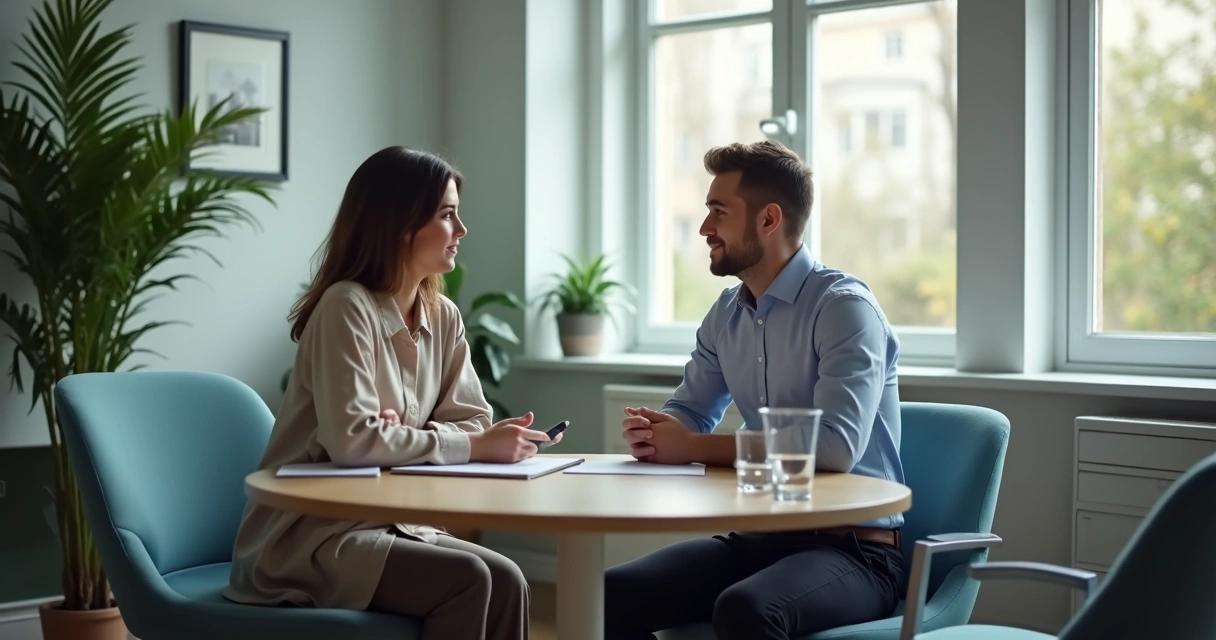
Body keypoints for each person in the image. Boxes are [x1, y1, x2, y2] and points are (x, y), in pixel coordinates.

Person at [225, 146, 555, 640]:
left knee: (508, 579)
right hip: (309, 536)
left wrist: (407, 436)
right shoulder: (345, 307)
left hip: (387, 525)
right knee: (466, 582)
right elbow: (355, 443)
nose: (461, 230)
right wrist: (455, 443)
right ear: (401, 225)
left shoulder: (443, 317)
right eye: (447, 215)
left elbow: (473, 421)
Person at [604, 140, 907, 640]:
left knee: (747, 610)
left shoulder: (844, 308)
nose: (704, 229)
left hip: (855, 551)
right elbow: (689, 410)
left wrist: (693, 448)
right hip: (759, 538)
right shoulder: (727, 313)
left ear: (768, 220)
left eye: (717, 213)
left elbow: (835, 448)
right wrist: (659, 431)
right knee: (611, 594)